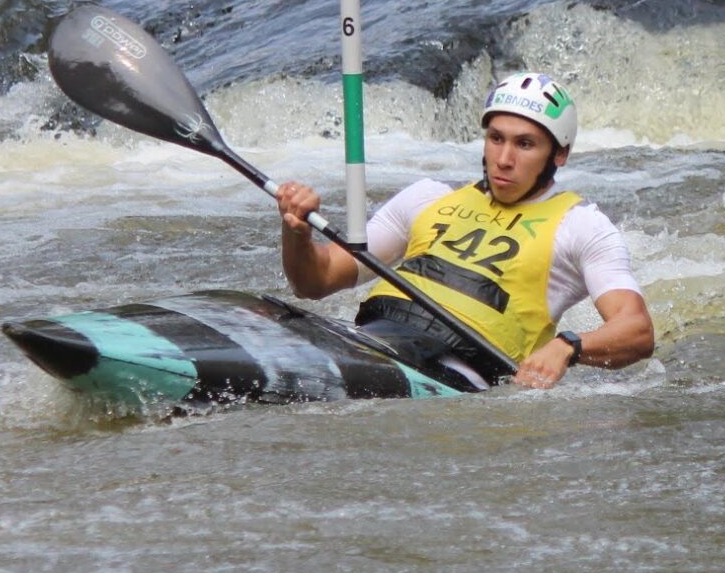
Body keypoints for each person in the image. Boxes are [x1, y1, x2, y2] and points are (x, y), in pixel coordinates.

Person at [272, 73, 654, 392]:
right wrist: (298, 232)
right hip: (369, 342)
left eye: (525, 144)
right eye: (496, 138)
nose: (504, 159)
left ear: (559, 155)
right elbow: (316, 281)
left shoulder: (581, 225)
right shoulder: (427, 198)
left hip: (449, 373)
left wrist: (568, 346)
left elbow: (636, 330)